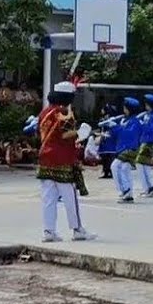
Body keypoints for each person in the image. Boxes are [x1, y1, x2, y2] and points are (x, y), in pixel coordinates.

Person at [34, 80, 97, 243]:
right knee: (69, 196)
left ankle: (49, 231)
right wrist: (81, 133)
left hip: (45, 159)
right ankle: (77, 229)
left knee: (48, 198)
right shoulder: (64, 112)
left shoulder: (44, 113)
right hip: (62, 158)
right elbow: (66, 136)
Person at [136, 93, 153, 198]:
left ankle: (147, 188)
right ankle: (149, 187)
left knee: (140, 163)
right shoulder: (147, 115)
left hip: (150, 142)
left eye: (147, 105)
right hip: (144, 141)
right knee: (144, 165)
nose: (146, 106)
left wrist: (142, 124)